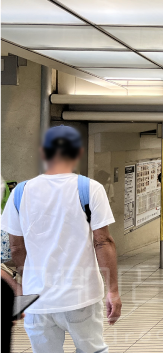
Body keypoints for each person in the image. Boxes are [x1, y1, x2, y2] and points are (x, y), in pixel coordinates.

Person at [0, 125, 121, 352]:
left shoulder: (20, 193)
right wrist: (112, 290)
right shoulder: (90, 188)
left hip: (37, 299)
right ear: (77, 153)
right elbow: (103, 241)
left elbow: (17, 247)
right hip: (81, 296)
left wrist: (30, 281)